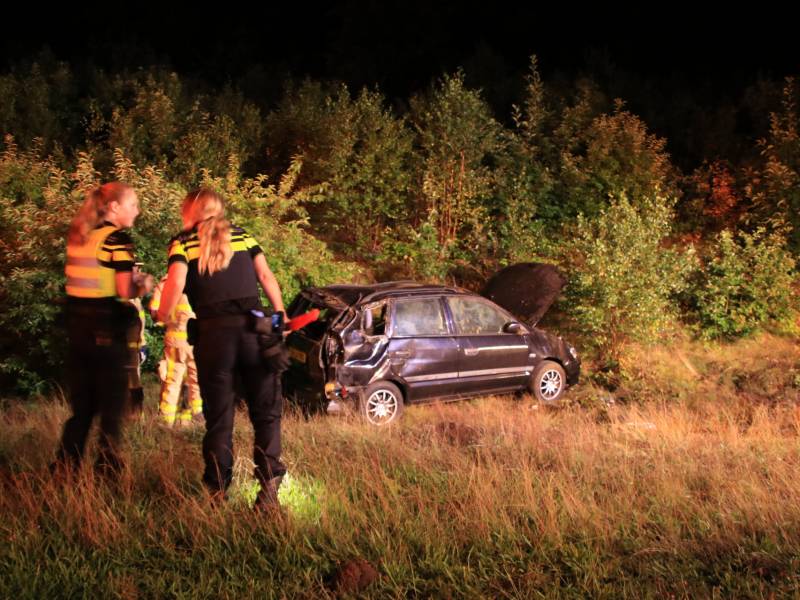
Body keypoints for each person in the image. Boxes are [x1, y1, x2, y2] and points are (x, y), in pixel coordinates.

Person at [156, 188, 286, 507]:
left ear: (191, 211)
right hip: (255, 332)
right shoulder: (242, 236)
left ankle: (216, 494)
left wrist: (162, 314)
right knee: (266, 413)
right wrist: (280, 314)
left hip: (214, 337)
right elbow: (265, 275)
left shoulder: (182, 243)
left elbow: (176, 283)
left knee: (219, 417)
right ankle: (268, 494)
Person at [55, 182, 153, 477]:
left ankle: (65, 469)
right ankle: (108, 472)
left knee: (83, 410)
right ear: (114, 207)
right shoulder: (117, 240)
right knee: (112, 411)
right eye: (133, 204)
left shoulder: (80, 237)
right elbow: (124, 291)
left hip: (77, 331)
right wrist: (142, 285)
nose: (137, 210)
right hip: (107, 332)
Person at [150, 275, 202, 427]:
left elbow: (154, 312)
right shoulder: (199, 278)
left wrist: (166, 319)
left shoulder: (165, 283)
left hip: (174, 341)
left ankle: (165, 421)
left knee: (172, 382)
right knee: (196, 380)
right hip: (195, 341)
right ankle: (196, 419)